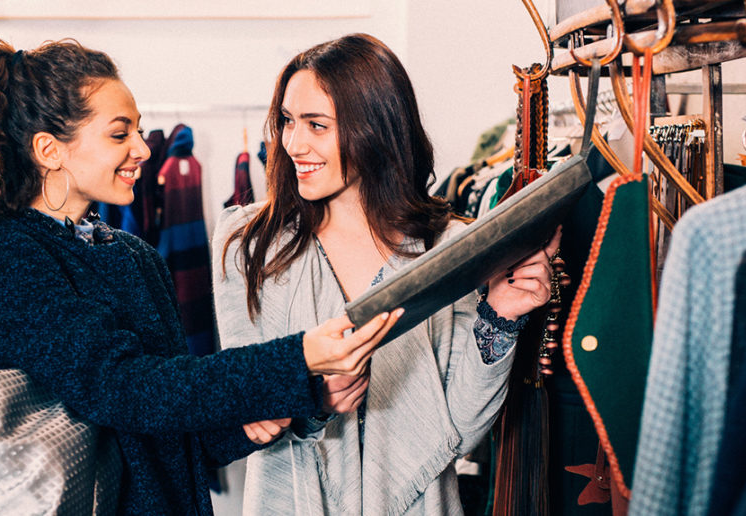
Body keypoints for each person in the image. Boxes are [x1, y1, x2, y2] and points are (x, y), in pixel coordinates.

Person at [0, 38, 402, 516]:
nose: (141, 148)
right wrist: (299, 357)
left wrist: (274, 411)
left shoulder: (131, 256)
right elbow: (121, 388)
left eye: (138, 129)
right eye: (120, 134)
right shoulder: (3, 258)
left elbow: (166, 434)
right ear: (50, 150)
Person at [212, 33, 560, 514]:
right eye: (288, 121)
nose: (292, 143)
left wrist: (499, 318)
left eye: (317, 125)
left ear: (375, 128)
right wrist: (310, 395)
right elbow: (244, 404)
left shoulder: (447, 249)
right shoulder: (248, 244)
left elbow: (459, 429)